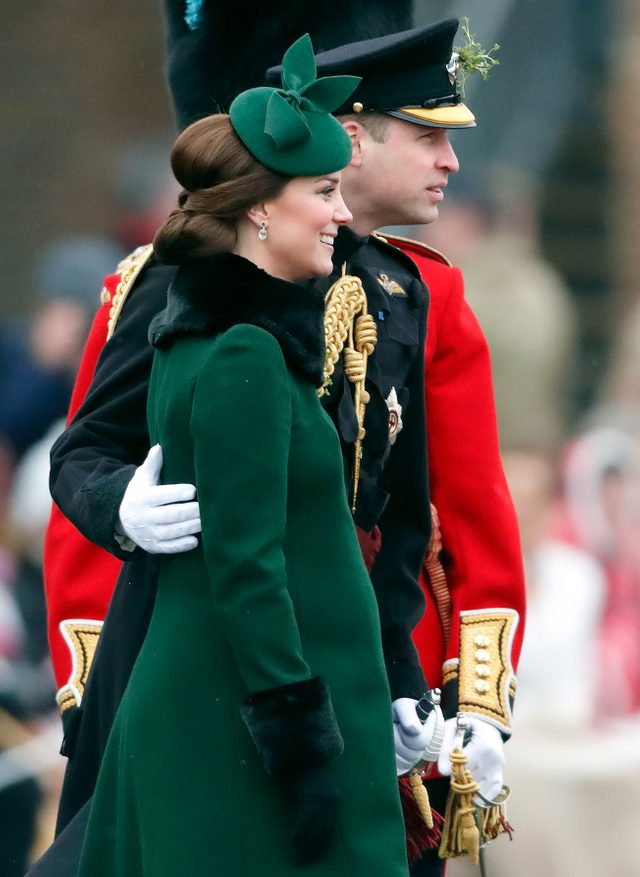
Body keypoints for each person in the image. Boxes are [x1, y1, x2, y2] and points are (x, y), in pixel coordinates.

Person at [43, 14, 525, 877]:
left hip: (353, 676)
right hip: (217, 668)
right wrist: (120, 507)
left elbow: (410, 520)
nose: (451, 163)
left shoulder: (411, 290)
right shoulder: (188, 276)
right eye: (425, 136)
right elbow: (88, 452)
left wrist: (444, 693)